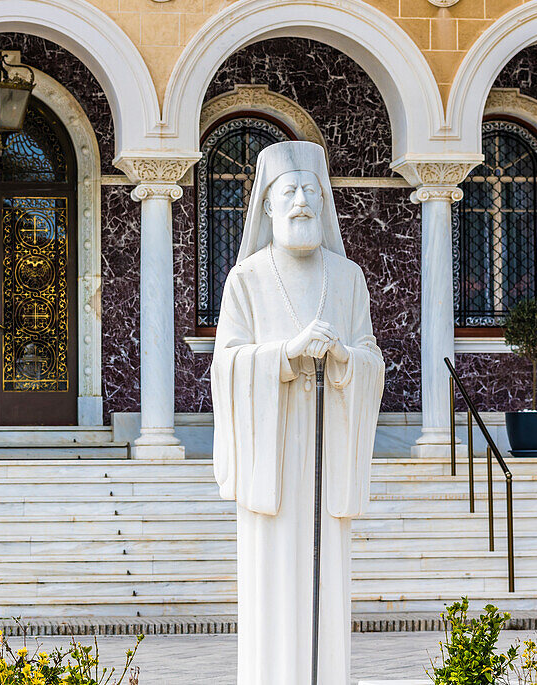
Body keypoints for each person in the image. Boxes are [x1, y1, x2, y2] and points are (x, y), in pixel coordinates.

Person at [212, 140, 385, 684]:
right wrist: (286, 354)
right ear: (267, 205)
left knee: (327, 584)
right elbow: (226, 365)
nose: (301, 202)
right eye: (289, 192)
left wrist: (342, 360)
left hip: (327, 454)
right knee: (273, 577)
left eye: (311, 191)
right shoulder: (246, 279)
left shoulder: (348, 276)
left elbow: (372, 359)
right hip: (275, 458)